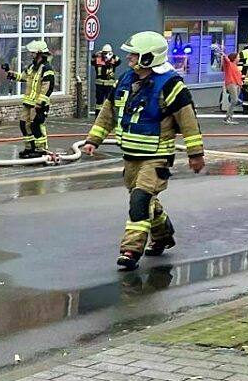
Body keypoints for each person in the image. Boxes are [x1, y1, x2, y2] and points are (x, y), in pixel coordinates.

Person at [82, 30, 205, 271]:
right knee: (146, 201)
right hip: (131, 156)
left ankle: (130, 251)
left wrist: (195, 154)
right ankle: (163, 235)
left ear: (148, 58)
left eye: (134, 55)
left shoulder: (171, 85)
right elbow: (108, 112)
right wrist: (93, 140)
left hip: (156, 157)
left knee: (139, 200)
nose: (129, 59)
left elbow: (188, 121)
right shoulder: (125, 79)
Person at [1, 40, 55, 158]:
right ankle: (30, 147)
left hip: (38, 104)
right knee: (24, 124)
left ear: (40, 53)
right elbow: (23, 77)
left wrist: (40, 103)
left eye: (33, 53)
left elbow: (47, 87)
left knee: (36, 126)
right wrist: (11, 73)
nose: (31, 55)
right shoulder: (32, 67)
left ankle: (40, 149)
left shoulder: (47, 68)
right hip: (28, 103)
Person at [92, 45, 122, 112]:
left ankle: (108, 116)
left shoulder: (113, 60)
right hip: (99, 84)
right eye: (104, 53)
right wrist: (95, 55)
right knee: (99, 102)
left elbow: (119, 61)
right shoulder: (98, 59)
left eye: (107, 53)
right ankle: (98, 116)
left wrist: (112, 56)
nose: (105, 55)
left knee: (109, 101)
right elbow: (92, 61)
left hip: (109, 85)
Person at [222, 51, 243, 124]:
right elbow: (226, 60)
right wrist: (223, 54)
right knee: (234, 100)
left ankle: (229, 117)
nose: (239, 58)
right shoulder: (229, 64)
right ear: (234, 58)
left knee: (234, 101)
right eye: (238, 57)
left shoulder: (235, 66)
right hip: (231, 83)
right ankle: (228, 117)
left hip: (237, 84)